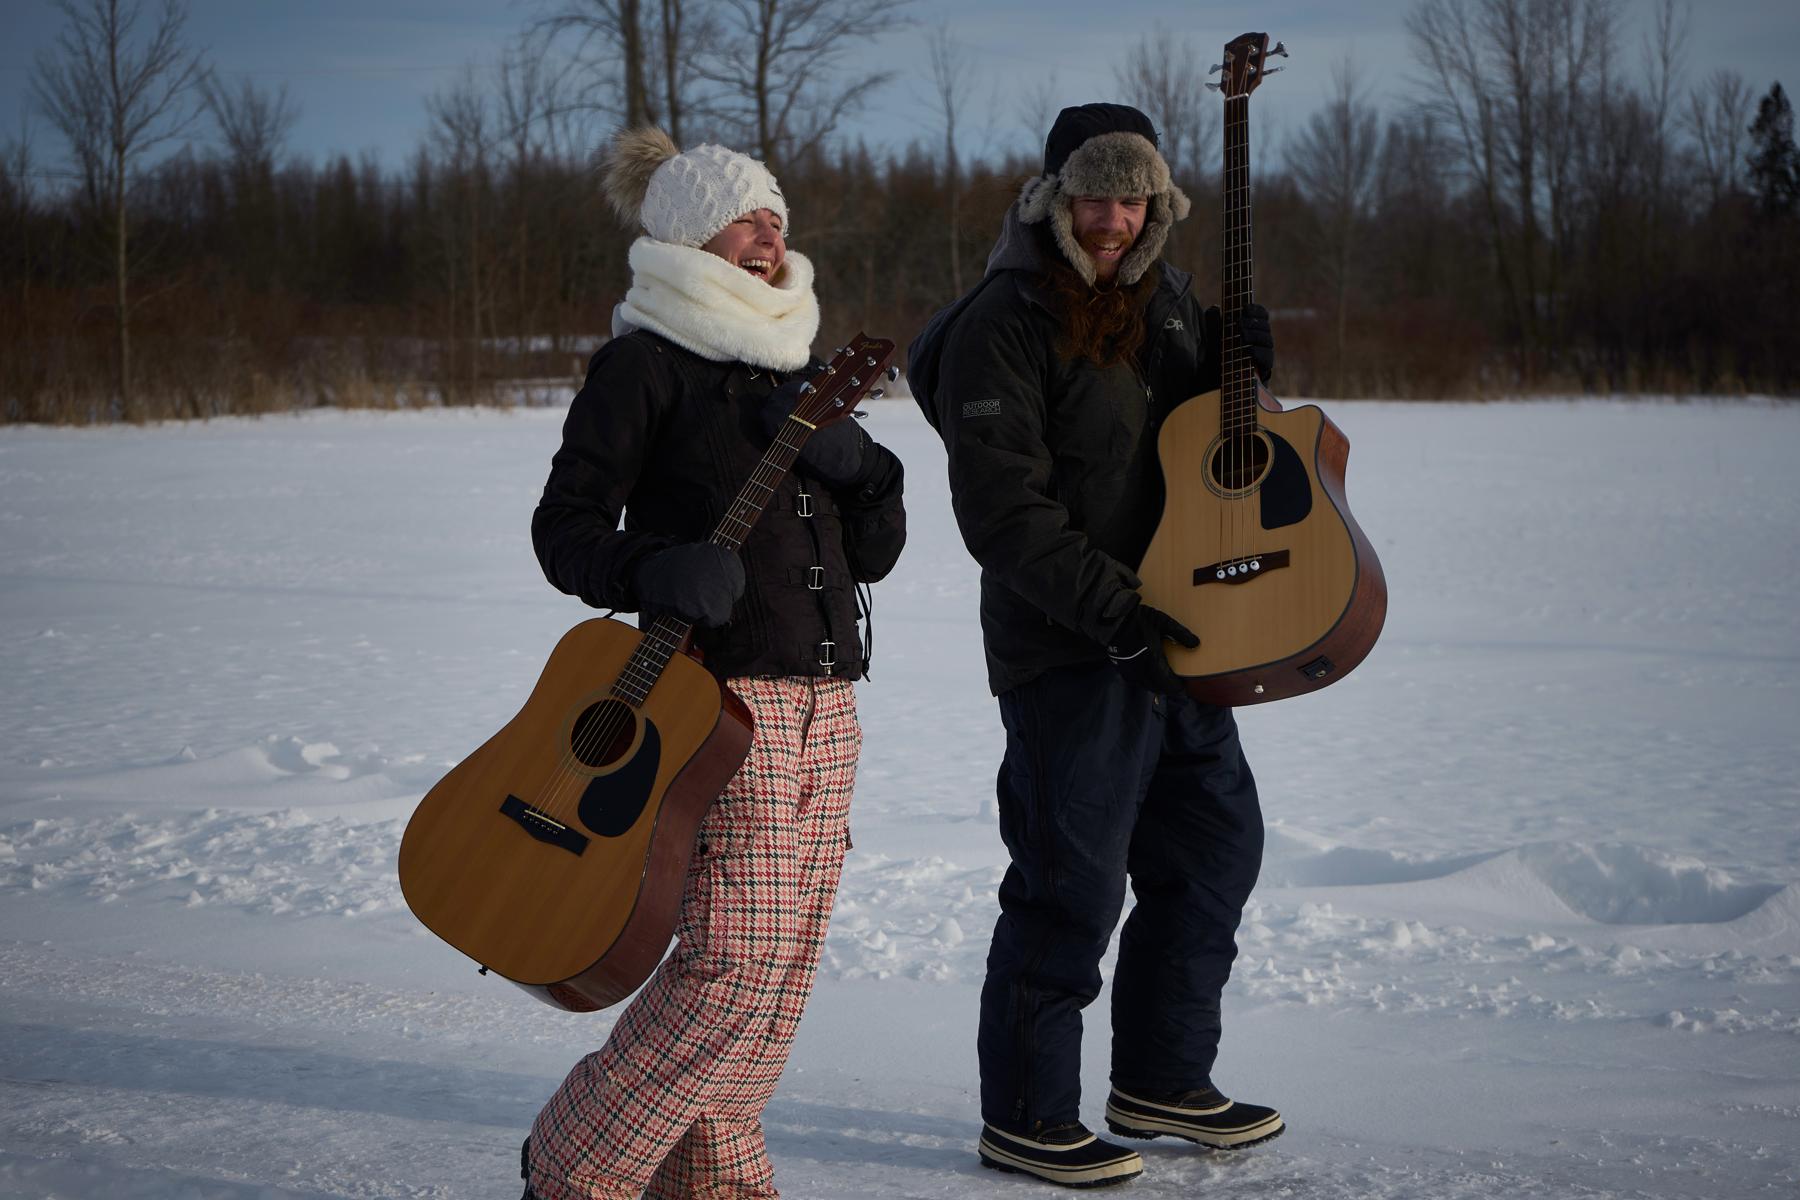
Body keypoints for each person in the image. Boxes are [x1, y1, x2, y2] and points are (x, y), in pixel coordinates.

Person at [520, 126, 906, 1200]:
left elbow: (875, 551)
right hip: (718, 702)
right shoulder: (643, 365)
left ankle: (712, 1172)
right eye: (747, 216)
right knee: (731, 965)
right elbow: (565, 529)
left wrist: (867, 473)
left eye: (778, 217)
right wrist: (655, 567)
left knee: (783, 972)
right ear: (693, 233)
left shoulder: (803, 369)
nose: (769, 235)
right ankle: (575, 1164)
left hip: (831, 703)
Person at [907, 102, 1281, 1189]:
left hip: (1183, 636)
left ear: (1157, 206)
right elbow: (1005, 512)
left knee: (1210, 855)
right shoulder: (1006, 320)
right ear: (1052, 197)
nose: (1112, 217)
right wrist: (1117, 612)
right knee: (1070, 885)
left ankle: (1162, 1079)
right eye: (1093, 194)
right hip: (1072, 649)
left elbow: (1210, 459)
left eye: (1133, 197)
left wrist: (1241, 372)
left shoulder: (1162, 301)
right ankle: (1026, 1115)